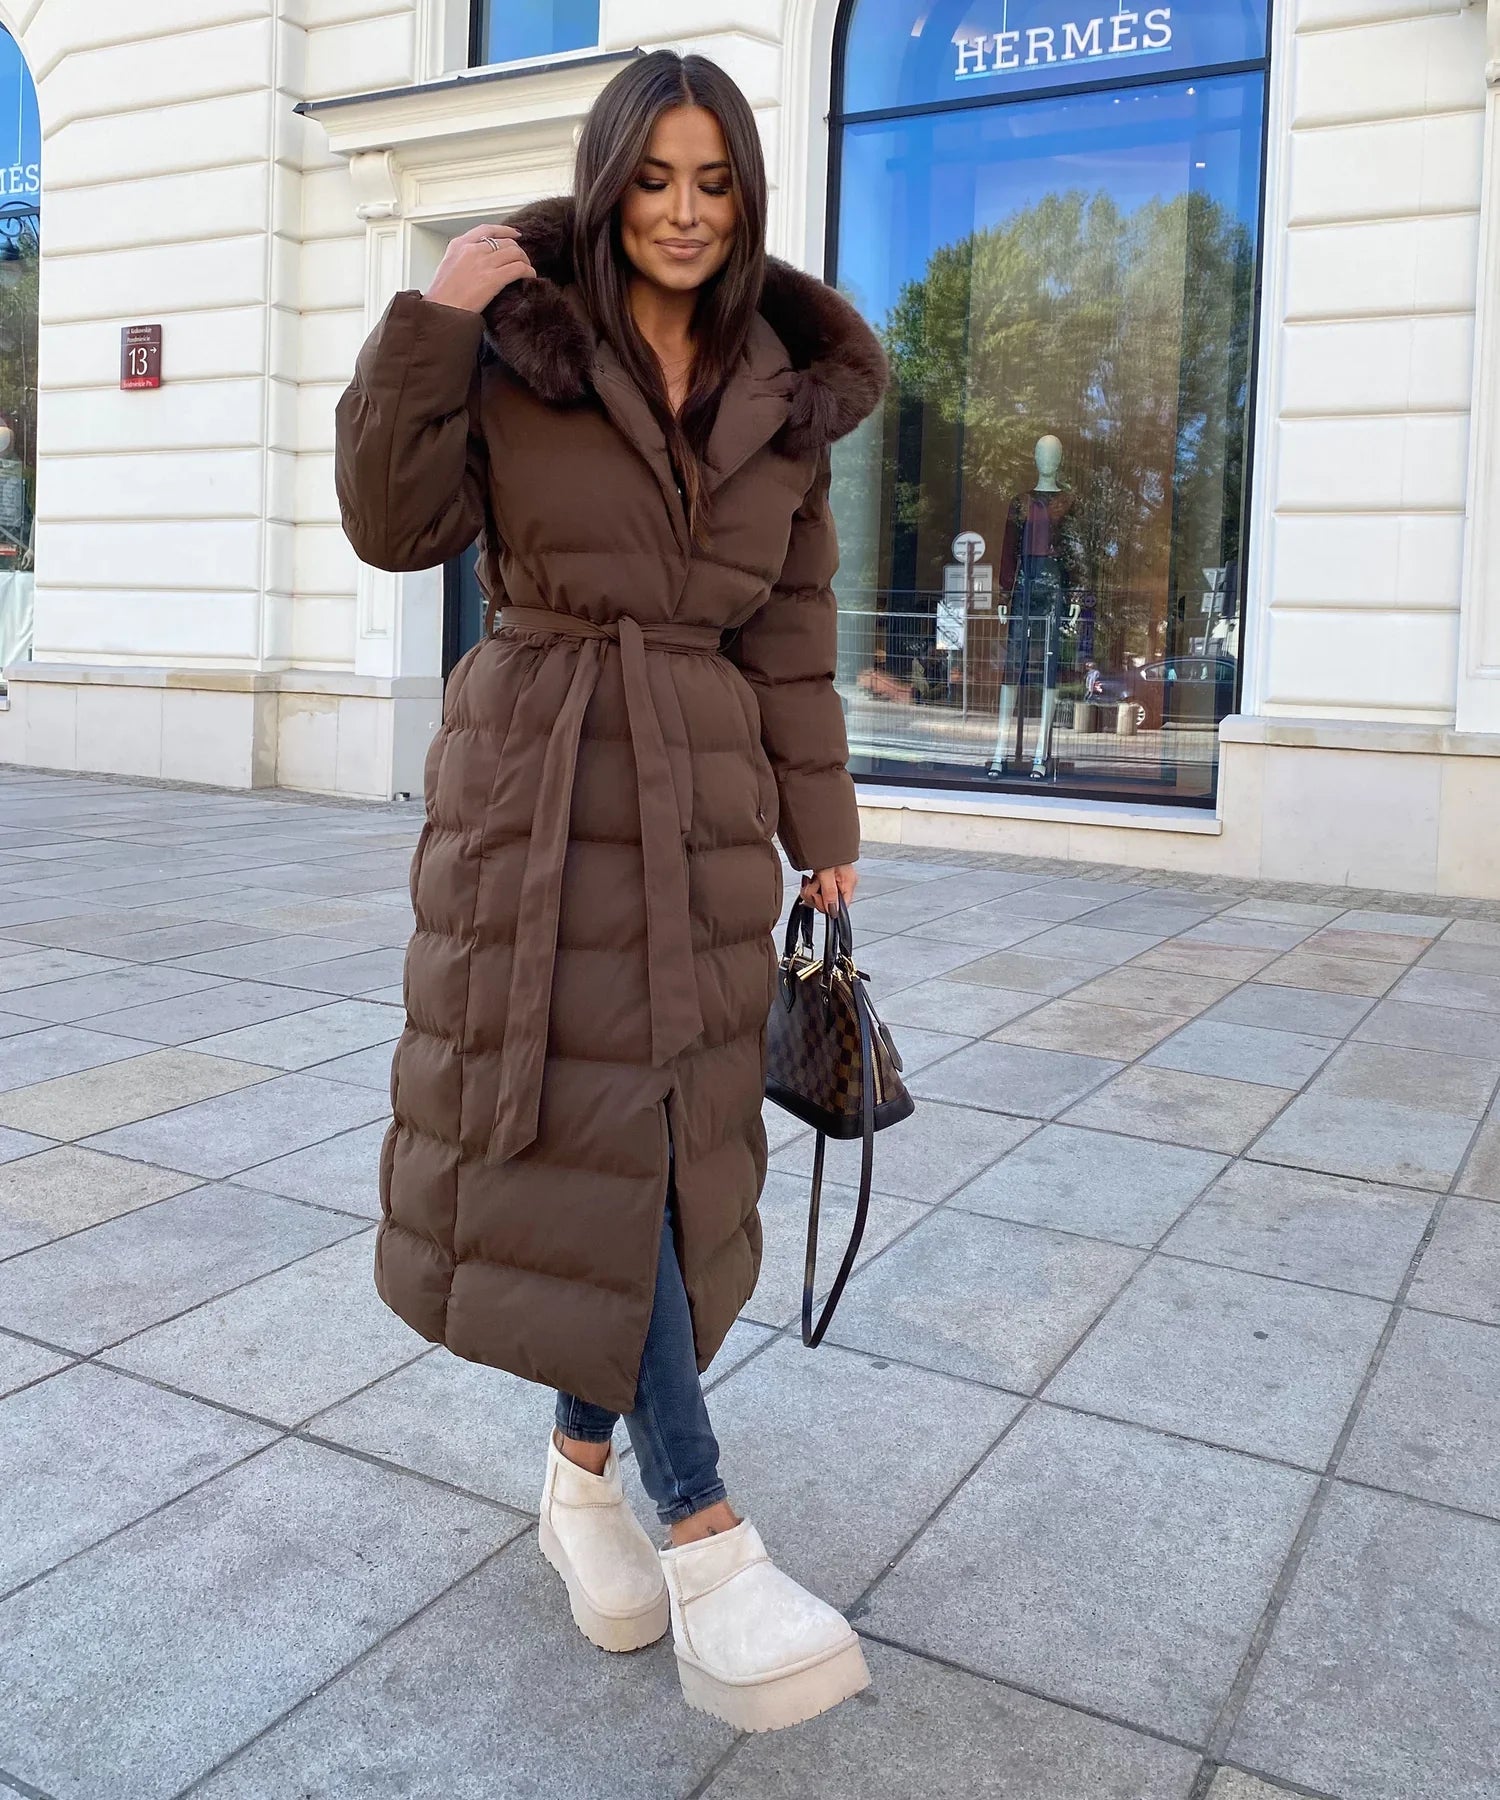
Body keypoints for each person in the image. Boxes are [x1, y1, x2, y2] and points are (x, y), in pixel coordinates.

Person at [334, 50, 887, 1733]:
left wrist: (824, 818)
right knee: (605, 1137)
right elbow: (387, 518)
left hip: (707, 797)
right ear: (606, 179)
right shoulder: (514, 341)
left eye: (714, 183)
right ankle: (705, 1530)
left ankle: (581, 1475)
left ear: (748, 199)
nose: (683, 214)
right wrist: (431, 315)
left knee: (665, 1132)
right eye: (654, 179)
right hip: (542, 790)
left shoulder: (780, 383)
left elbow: (788, 631)